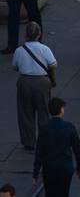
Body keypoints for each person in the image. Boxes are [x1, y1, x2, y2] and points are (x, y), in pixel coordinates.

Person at [12, 21, 56, 149]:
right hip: (42, 82)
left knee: (25, 113)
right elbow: (53, 64)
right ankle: (44, 140)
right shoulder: (44, 49)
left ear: (25, 35)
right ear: (39, 34)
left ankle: (28, 142)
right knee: (44, 112)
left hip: (24, 82)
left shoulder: (19, 50)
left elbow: (15, 66)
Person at [31, 97, 80, 197]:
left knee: (50, 193)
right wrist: (79, 167)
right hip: (65, 168)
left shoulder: (44, 129)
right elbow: (78, 149)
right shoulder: (69, 127)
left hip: (49, 169)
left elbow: (39, 153)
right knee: (64, 193)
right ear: (61, 110)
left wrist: (35, 173)